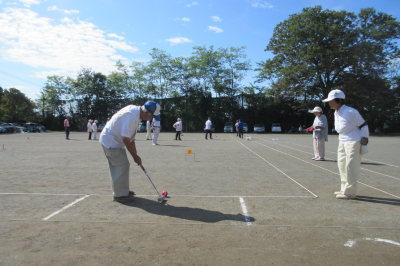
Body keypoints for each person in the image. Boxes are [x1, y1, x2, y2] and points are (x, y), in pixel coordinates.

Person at [99, 100, 161, 203]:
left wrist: (135, 152)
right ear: (146, 113)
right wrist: (135, 156)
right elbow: (126, 139)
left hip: (114, 140)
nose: (151, 119)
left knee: (122, 165)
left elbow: (130, 137)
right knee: (121, 165)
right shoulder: (131, 116)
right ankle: (120, 195)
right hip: (110, 141)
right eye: (151, 116)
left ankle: (122, 191)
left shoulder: (136, 112)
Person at [322, 90, 369, 199]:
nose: (329, 103)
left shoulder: (350, 112)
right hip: (342, 141)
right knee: (342, 165)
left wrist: (364, 144)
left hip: (354, 141)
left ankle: (350, 192)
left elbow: (364, 126)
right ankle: (344, 189)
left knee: (351, 167)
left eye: (331, 100)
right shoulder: (336, 112)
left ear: (338, 100)